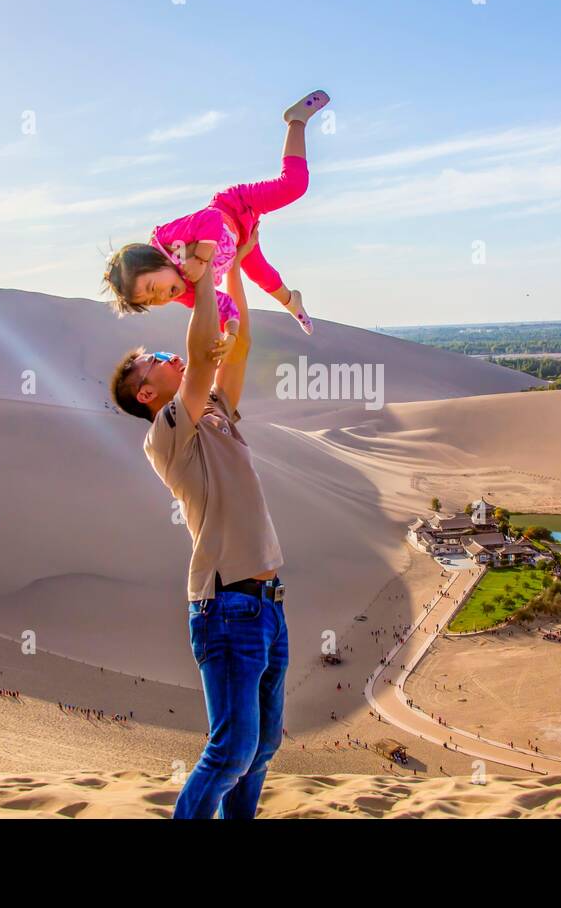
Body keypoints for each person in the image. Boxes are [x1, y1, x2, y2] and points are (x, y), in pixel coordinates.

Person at [111, 219, 286, 820]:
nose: (168, 357)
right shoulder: (168, 433)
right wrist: (204, 271)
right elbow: (204, 354)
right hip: (225, 605)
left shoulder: (214, 411)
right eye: (154, 360)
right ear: (145, 394)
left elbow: (234, 348)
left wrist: (236, 260)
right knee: (231, 749)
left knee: (260, 747)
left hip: (267, 603)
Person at [101, 90, 329, 340]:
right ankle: (293, 303)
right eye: (154, 301)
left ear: (154, 262)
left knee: (294, 186)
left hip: (237, 206)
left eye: (154, 288)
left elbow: (211, 219)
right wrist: (229, 333)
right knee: (263, 277)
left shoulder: (168, 239)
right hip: (240, 239)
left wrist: (200, 257)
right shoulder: (185, 291)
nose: (163, 297)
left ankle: (296, 120)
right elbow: (221, 305)